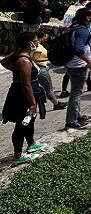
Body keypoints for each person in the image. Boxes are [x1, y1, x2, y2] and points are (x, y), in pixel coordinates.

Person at [2, 31, 47, 166]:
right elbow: (26, 84)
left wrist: (16, 70)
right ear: (30, 43)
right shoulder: (24, 61)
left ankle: (31, 143)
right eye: (36, 40)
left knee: (29, 120)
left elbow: (4, 61)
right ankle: (17, 155)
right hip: (23, 95)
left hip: (26, 91)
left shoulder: (18, 55)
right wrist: (32, 103)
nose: (37, 42)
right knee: (22, 124)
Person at [63, 8, 91, 130]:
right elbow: (78, 49)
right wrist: (88, 61)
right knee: (76, 93)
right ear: (87, 18)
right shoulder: (82, 31)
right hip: (78, 66)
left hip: (72, 64)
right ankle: (71, 121)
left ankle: (78, 115)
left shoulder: (75, 27)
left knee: (77, 91)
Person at [31, 29, 65, 111]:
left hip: (41, 69)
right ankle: (56, 104)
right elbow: (35, 59)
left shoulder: (36, 46)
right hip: (41, 70)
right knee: (49, 89)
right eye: (46, 35)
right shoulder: (38, 48)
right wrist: (48, 59)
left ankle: (56, 102)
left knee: (48, 88)